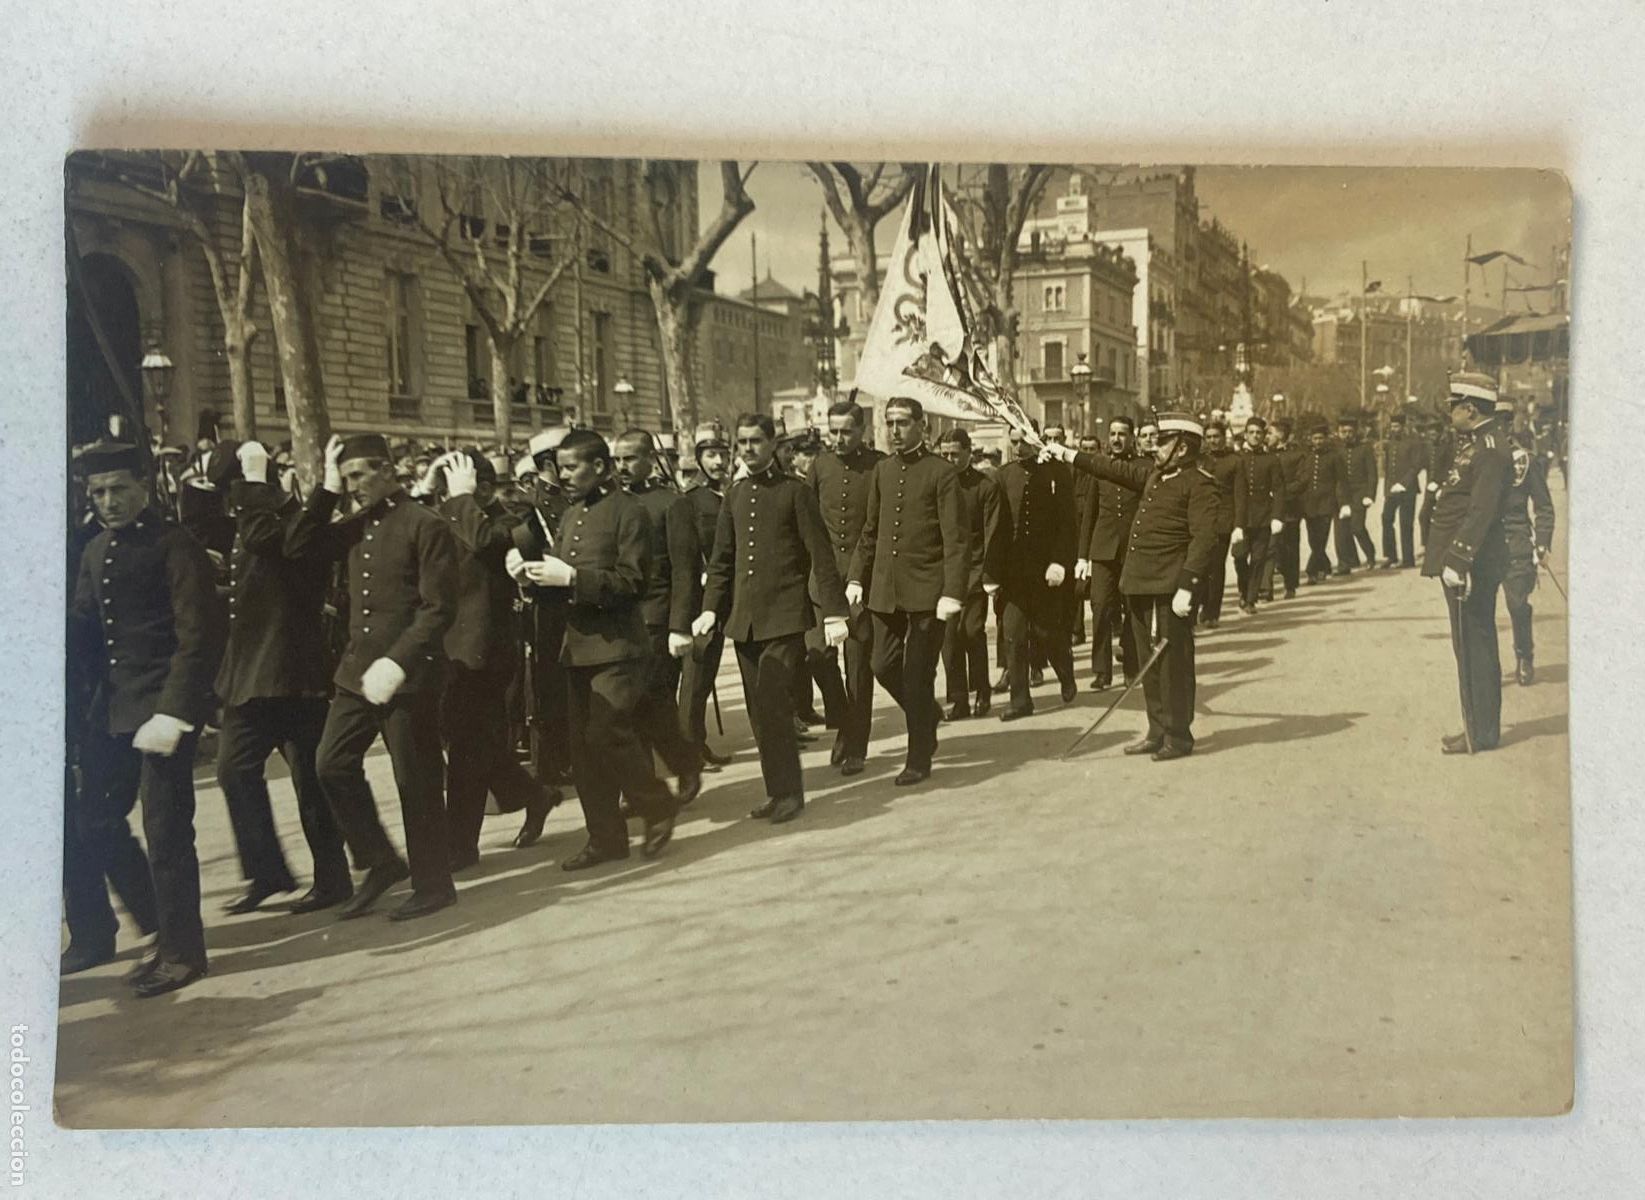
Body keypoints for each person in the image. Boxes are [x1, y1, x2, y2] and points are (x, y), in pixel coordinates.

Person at [66, 441, 223, 995]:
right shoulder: (95, 550)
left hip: (162, 710)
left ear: (143, 487)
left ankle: (184, 954)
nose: (107, 501)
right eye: (97, 493)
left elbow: (199, 636)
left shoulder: (175, 545)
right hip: (113, 712)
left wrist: (175, 713)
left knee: (166, 831)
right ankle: (161, 923)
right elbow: (85, 631)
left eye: (117, 489)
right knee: (95, 822)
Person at [291, 433, 460, 921]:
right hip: (357, 671)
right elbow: (299, 547)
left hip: (409, 674)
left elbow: (438, 607)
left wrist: (399, 660)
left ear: (387, 470)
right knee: (330, 763)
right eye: (346, 479)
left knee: (415, 779)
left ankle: (434, 885)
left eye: (359, 476)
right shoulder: (354, 526)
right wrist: (325, 489)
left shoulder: (425, 524)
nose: (353, 487)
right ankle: (381, 860)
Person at [509, 430, 679, 865]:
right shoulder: (571, 515)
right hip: (577, 647)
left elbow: (632, 583)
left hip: (618, 646)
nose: (563, 475)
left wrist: (572, 578)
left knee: (606, 733)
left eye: (572, 467)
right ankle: (605, 838)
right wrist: (532, 579)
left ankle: (657, 803)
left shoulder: (629, 512)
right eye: (561, 468)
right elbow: (560, 584)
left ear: (599, 467)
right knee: (583, 752)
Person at [211, 439, 352, 917]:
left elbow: (267, 540)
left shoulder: (286, 522)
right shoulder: (252, 520)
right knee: (233, 772)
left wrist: (257, 481)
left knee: (311, 782)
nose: (231, 503)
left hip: (293, 676)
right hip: (250, 679)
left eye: (235, 491)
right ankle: (267, 872)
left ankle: (333, 878)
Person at [695, 414, 849, 824]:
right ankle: (776, 790)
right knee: (758, 713)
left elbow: (821, 555)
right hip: (744, 621)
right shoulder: (735, 495)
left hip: (785, 618)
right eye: (742, 442)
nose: (748, 449)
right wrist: (710, 608)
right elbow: (721, 561)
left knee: (772, 702)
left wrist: (834, 612)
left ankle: (790, 793)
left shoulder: (794, 492)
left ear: (772, 444)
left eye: (756, 441)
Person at [1045, 412, 1221, 759]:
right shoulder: (1156, 475)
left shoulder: (1199, 484)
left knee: (1173, 664)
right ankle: (1157, 730)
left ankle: (1178, 736)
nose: (1155, 446)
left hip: (1170, 587)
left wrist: (1188, 585)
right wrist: (1068, 454)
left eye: (1164, 441)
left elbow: (1204, 539)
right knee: (1148, 664)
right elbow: (1113, 470)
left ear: (1183, 448)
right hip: (1139, 582)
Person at [433, 449, 560, 872]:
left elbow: (485, 542)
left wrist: (461, 498)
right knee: (470, 743)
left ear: (482, 488)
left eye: (454, 490)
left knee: (467, 749)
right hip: (447, 650)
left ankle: (460, 846)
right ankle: (534, 794)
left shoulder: (510, 521)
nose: (447, 498)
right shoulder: (452, 514)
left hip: (485, 652)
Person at [846, 397, 969, 786]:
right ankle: (926, 713)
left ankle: (918, 757)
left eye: (902, 423)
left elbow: (956, 539)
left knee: (917, 676)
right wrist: (856, 577)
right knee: (881, 665)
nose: (894, 431)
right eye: (889, 423)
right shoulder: (883, 471)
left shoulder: (941, 473)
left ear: (922, 426)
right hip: (886, 592)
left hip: (928, 595)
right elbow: (871, 531)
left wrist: (952, 592)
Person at [1421, 375, 1514, 754]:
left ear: (1470, 409)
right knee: (1469, 643)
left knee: (1474, 644)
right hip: (1467, 560)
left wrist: (1459, 559)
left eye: (1453, 406)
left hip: (1472, 562)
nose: (1450, 413)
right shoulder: (1478, 443)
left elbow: (1481, 511)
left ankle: (1481, 733)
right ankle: (1476, 726)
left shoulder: (1489, 449)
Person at [611, 429, 703, 806]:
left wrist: (680, 625)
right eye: (617, 460)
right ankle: (644, 789)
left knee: (653, 700)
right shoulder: (614, 502)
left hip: (656, 618)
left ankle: (685, 764)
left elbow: (684, 569)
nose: (622, 466)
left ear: (650, 459)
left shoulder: (671, 504)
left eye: (629, 458)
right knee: (627, 705)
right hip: (620, 617)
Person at [806, 400, 886, 774]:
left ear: (862, 431)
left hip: (861, 581)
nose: (838, 438)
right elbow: (806, 522)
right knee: (816, 655)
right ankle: (842, 720)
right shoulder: (819, 466)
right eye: (833, 431)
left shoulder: (878, 466)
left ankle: (856, 745)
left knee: (858, 668)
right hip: (822, 581)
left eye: (846, 431)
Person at [995, 426, 1077, 719]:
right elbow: (996, 527)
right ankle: (1020, 701)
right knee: (1014, 635)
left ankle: (1065, 673)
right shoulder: (1003, 475)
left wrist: (1060, 561)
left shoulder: (1056, 473)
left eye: (1024, 441)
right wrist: (993, 572)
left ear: (1035, 439)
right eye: (1014, 442)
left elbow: (1068, 523)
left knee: (1047, 632)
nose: (1019, 448)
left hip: (1046, 570)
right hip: (1014, 572)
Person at [678, 421, 735, 770]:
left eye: (722, 454)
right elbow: (686, 550)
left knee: (707, 674)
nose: (718, 462)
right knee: (695, 678)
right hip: (701, 598)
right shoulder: (691, 500)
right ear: (698, 458)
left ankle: (697, 743)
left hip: (723, 594)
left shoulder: (727, 494)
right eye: (711, 455)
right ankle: (688, 751)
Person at [936, 427, 1004, 720]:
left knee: (973, 632)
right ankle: (959, 699)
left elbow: (992, 534)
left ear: (968, 452)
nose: (949, 459)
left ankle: (982, 692)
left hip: (975, 570)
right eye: (944, 454)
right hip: (943, 573)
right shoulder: (936, 485)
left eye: (955, 454)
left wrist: (988, 575)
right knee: (949, 639)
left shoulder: (984, 487)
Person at [1075, 416, 1142, 689]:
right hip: (1103, 551)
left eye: (1122, 434)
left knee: (1133, 609)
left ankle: (1131, 666)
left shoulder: (1141, 468)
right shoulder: (1098, 469)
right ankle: (1102, 670)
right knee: (1100, 607)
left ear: (1132, 437)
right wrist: (1082, 556)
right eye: (1112, 433)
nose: (1116, 439)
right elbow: (1089, 516)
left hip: (1133, 551)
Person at [1502, 431, 1556, 686]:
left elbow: (1543, 506)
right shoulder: (1473, 456)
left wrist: (1542, 542)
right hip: (1481, 544)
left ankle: (1524, 655)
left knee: (1517, 604)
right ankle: (1483, 667)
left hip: (1515, 542)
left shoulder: (1523, 461)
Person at [1229, 416, 1286, 615]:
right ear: (1245, 435)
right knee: (1239, 556)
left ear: (1264, 436)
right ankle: (1244, 590)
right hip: (1240, 516)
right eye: (1251, 432)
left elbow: (1279, 489)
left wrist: (1277, 516)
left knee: (1258, 559)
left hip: (1263, 516)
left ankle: (1250, 599)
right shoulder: (1237, 458)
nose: (1255, 436)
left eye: (1259, 433)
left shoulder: (1271, 459)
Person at [1198, 422, 1239, 627]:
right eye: (1209, 437)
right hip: (1199, 520)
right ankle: (1201, 604)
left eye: (1216, 436)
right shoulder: (1198, 461)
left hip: (1222, 520)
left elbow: (1239, 494)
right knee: (1199, 566)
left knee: (1215, 567)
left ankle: (1212, 611)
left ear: (1224, 437)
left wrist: (1238, 524)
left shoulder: (1233, 461)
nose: (1213, 441)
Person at [1299, 423, 1351, 583]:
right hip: (1309, 504)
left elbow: (1341, 481)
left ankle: (1312, 571)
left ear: (1326, 439)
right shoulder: (1306, 456)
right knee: (1313, 539)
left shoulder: (1334, 457)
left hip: (1327, 503)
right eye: (1315, 438)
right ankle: (1324, 566)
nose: (1318, 441)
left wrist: (1343, 502)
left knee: (1321, 538)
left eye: (1321, 438)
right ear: (1310, 439)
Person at [1379, 413, 1425, 569]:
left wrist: (1403, 483)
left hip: (1408, 490)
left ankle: (1408, 559)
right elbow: (1388, 468)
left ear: (1403, 427)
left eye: (1397, 426)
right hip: (1392, 490)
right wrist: (1387, 490)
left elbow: (1416, 466)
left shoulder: (1413, 442)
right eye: (1392, 426)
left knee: (1405, 523)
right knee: (1386, 518)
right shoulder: (1390, 443)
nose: (1394, 429)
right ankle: (1391, 556)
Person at [1334, 417, 1378, 572]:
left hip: (1360, 493)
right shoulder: (1336, 450)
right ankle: (1345, 563)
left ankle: (1370, 555)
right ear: (1339, 433)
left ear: (1355, 432)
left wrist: (1370, 495)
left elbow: (1372, 474)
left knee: (1357, 527)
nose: (1347, 435)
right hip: (1341, 493)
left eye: (1350, 431)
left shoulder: (1364, 449)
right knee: (1341, 530)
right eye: (1343, 432)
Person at [1267, 416, 1305, 599]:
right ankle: (1266, 588)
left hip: (1290, 509)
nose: (1267, 437)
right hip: (1267, 509)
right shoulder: (1265, 455)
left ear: (1281, 435)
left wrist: (1280, 493)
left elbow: (1301, 481)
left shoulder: (1296, 455)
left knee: (1289, 547)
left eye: (1270, 433)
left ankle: (1290, 585)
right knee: (1269, 548)